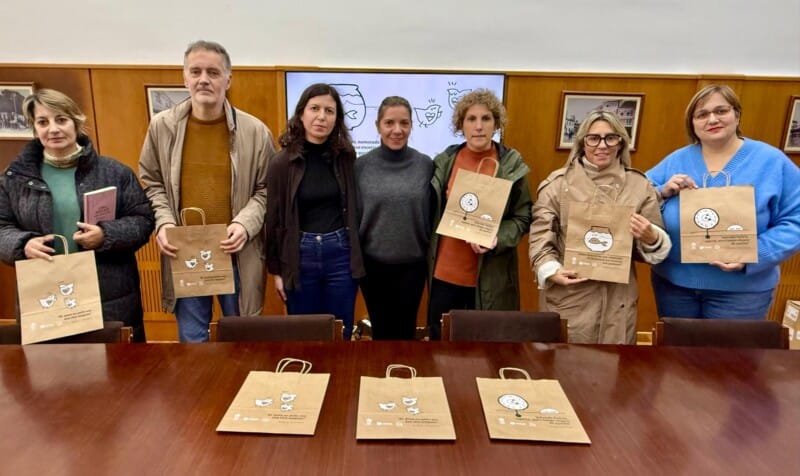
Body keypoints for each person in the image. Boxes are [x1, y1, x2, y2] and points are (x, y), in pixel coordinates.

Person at [139, 40, 275, 342]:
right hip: (185, 252)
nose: (204, 79)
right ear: (185, 78)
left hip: (236, 252)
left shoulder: (255, 131)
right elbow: (152, 182)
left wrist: (245, 224)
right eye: (196, 72)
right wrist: (164, 223)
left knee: (242, 341)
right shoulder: (161, 127)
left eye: (213, 72)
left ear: (228, 79)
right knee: (192, 344)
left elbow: (267, 189)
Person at [0, 89, 154, 342]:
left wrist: (105, 235)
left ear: (76, 122)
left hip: (108, 295)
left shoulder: (115, 173)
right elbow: (2, 227)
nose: (53, 129)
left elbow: (142, 220)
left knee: (115, 365)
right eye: (43, 122)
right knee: (50, 366)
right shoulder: (14, 178)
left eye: (61, 120)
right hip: (45, 294)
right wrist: (22, 244)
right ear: (34, 128)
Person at [646, 84, 800, 320]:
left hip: (743, 293)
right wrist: (662, 191)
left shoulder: (771, 162)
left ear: (736, 115)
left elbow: (796, 220)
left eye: (721, 111)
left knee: (731, 347)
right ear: (692, 123)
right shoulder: (676, 161)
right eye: (702, 114)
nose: (712, 119)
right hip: (674, 287)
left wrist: (755, 253)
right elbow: (636, 198)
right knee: (677, 346)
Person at [529, 111, 670, 344]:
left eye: (610, 138)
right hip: (570, 297)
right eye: (593, 138)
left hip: (618, 302)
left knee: (614, 363)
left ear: (621, 142)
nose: (602, 145)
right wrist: (550, 270)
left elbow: (652, 243)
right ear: (582, 142)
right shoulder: (557, 186)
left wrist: (652, 238)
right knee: (564, 362)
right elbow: (540, 238)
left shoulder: (639, 186)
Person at [427, 89, 532, 340]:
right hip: (444, 274)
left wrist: (498, 238)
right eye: (471, 119)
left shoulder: (511, 165)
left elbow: (523, 216)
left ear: (496, 123)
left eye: (486, 118)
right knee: (441, 346)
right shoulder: (445, 161)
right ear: (460, 125)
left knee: (487, 349)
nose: (478, 126)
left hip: (490, 278)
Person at [266, 83, 364, 340]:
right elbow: (273, 221)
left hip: (340, 255)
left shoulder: (346, 157)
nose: (321, 117)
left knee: (340, 331)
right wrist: (277, 272)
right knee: (304, 334)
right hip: (300, 257)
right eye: (315, 109)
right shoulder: (281, 163)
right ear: (301, 114)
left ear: (337, 119)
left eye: (329, 111)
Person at [356, 96, 433, 340]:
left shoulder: (425, 165)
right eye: (389, 123)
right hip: (372, 266)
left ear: (411, 126)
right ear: (378, 125)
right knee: (381, 331)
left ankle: (405, 366)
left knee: (406, 332)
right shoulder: (360, 167)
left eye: (404, 123)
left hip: (413, 266)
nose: (397, 130)